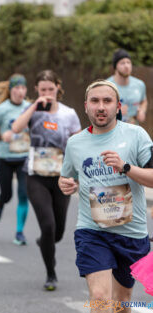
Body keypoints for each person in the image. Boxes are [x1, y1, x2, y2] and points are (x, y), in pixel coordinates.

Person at [59, 80, 152, 313]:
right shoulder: (75, 143)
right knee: (100, 298)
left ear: (118, 106)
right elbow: (67, 177)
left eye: (107, 101)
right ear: (86, 106)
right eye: (95, 101)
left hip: (131, 233)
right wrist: (65, 184)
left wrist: (126, 167)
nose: (101, 107)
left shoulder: (136, 135)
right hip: (92, 232)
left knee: (121, 303)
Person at [12, 69, 81, 291]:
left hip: (61, 177)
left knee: (58, 231)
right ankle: (51, 273)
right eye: (43, 90)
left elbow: (78, 143)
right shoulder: (31, 111)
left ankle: (46, 242)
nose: (47, 93)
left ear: (58, 88)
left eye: (51, 89)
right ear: (37, 90)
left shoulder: (68, 113)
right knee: (48, 225)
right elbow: (16, 128)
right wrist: (34, 106)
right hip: (35, 176)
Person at [0, 74, 31, 245]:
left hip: (24, 158)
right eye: (17, 88)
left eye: (23, 88)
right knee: (7, 194)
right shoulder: (2, 109)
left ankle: (19, 233)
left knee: (24, 195)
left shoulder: (30, 108)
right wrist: (0, 135)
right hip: (4, 158)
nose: (20, 91)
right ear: (11, 90)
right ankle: (0, 203)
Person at [107, 49, 147, 124]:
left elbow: (144, 101)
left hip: (134, 130)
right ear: (115, 67)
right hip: (113, 131)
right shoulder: (107, 86)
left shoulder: (140, 84)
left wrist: (142, 111)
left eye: (128, 62)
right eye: (122, 63)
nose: (126, 66)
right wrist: (116, 112)